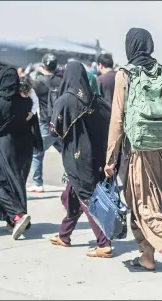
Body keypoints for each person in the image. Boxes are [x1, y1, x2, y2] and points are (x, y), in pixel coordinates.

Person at [104, 28, 162, 274]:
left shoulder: (125, 74)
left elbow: (117, 120)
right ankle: (147, 257)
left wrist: (111, 158)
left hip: (141, 151)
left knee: (143, 205)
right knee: (150, 202)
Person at [48, 61, 113, 258]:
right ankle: (64, 235)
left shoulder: (65, 100)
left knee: (85, 198)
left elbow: (53, 130)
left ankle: (103, 243)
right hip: (96, 157)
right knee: (72, 196)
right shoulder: (95, 99)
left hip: (76, 159)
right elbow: (109, 122)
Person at [0, 67, 43, 240]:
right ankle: (11, 222)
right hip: (26, 148)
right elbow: (34, 121)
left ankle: (18, 216)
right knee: (17, 183)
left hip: (6, 148)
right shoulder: (26, 102)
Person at [27, 54, 63, 193]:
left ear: (43, 66)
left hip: (46, 123)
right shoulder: (61, 81)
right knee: (65, 152)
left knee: (37, 152)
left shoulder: (37, 82)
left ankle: (37, 183)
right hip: (61, 122)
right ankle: (71, 181)